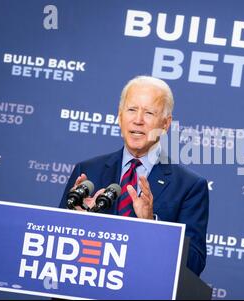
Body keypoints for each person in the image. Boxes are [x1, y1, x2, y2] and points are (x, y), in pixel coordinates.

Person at [59, 75, 209, 276]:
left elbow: (194, 264)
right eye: (131, 110)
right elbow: (56, 243)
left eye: (149, 113)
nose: (138, 120)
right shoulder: (87, 172)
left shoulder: (190, 186)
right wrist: (79, 224)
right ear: (120, 117)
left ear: (165, 124)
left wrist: (152, 225)